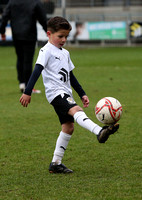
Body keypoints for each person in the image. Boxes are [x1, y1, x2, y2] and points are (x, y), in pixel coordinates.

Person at [19, 16, 119, 174]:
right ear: (49, 34)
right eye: (60, 36)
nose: (64, 39)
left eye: (66, 36)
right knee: (76, 110)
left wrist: (82, 93)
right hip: (55, 93)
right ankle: (99, 131)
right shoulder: (45, 51)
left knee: (68, 127)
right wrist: (27, 91)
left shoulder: (65, 53)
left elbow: (71, 76)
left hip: (65, 92)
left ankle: (56, 163)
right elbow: (37, 70)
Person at [0, 0, 48, 93]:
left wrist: (2, 31)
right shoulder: (34, 2)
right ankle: (28, 86)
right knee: (28, 61)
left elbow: (5, 17)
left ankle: (22, 83)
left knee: (20, 58)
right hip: (30, 34)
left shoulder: (12, 2)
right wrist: (48, 31)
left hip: (16, 34)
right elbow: (43, 18)